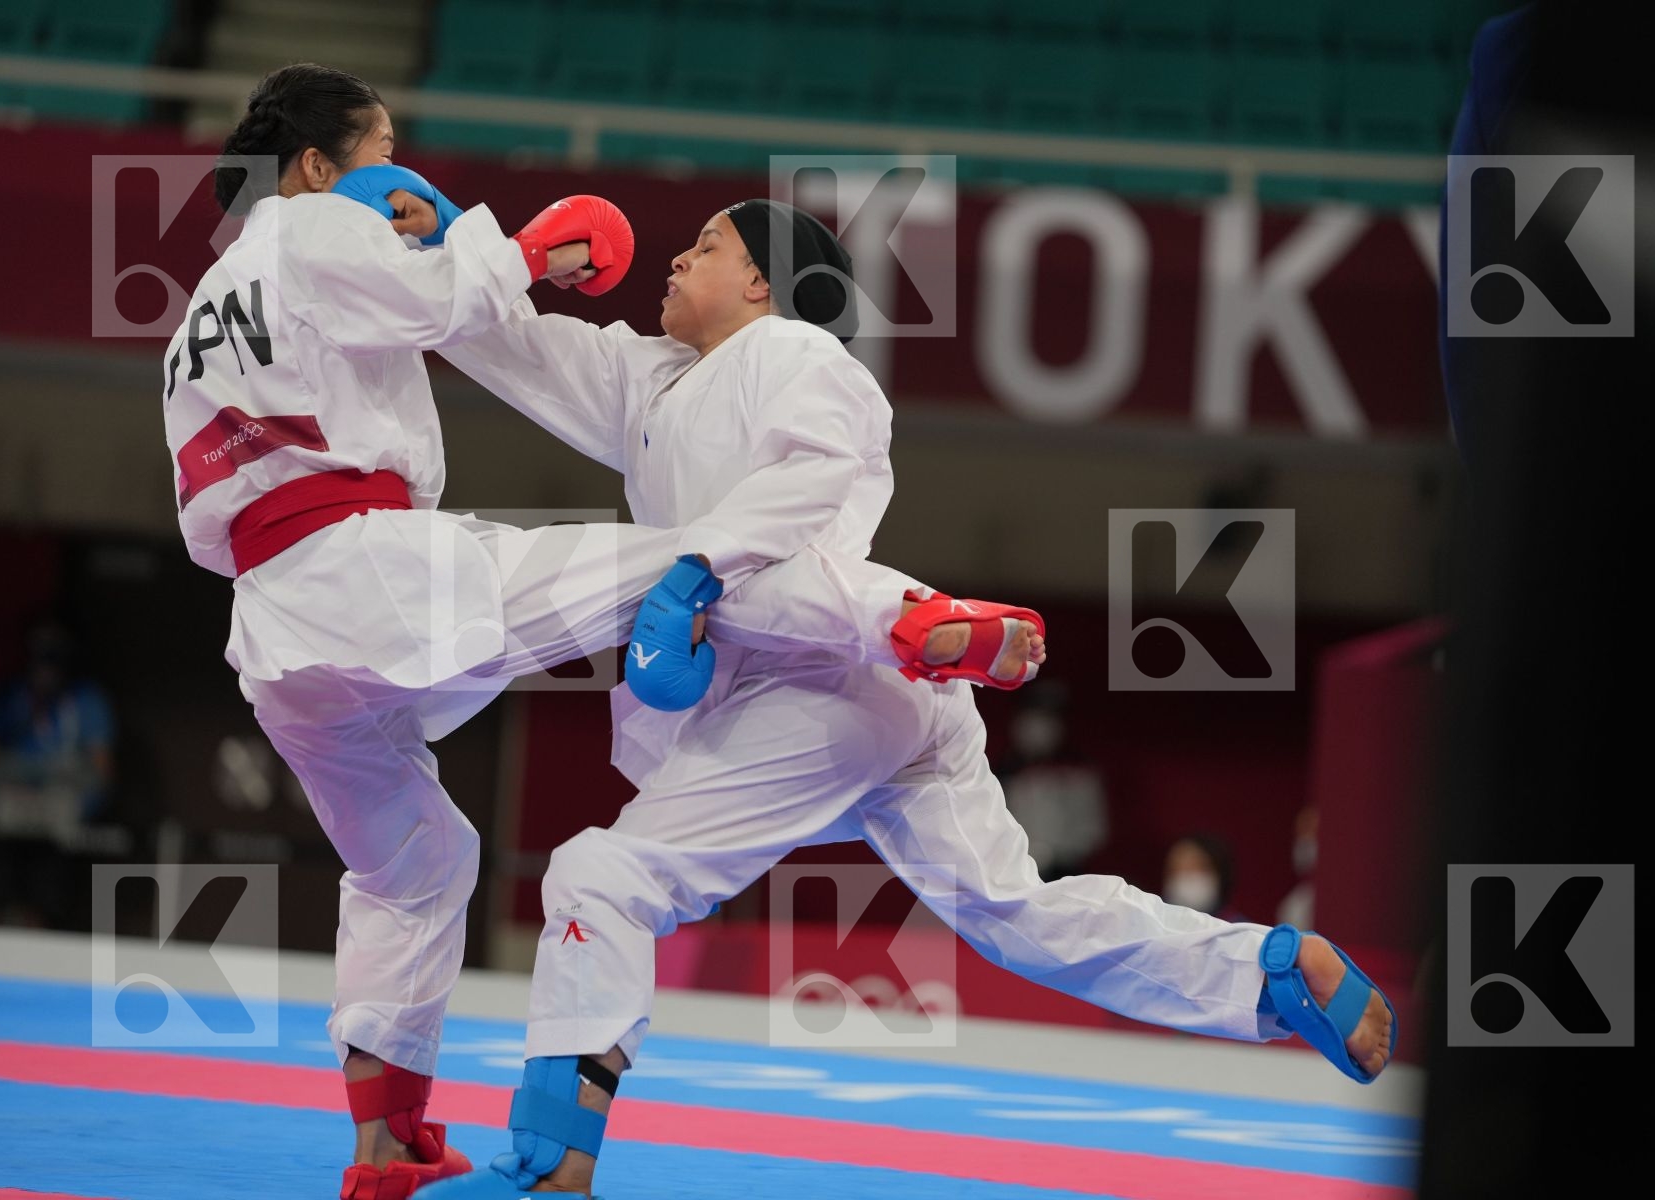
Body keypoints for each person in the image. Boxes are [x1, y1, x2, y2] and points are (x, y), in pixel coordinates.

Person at [169, 64, 1042, 1200]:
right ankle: (917, 617)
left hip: (277, 639)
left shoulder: (205, 305)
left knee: (417, 866)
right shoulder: (312, 227)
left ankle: (384, 1155)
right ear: (319, 165)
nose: (399, 176)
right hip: (376, 572)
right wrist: (528, 248)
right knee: (681, 561)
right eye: (383, 152)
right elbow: (439, 302)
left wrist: (472, 259)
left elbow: (469, 332)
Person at [424, 199, 1399, 1200]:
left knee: (603, 876)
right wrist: (461, 240)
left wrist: (694, 572)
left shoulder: (797, 356)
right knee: (1017, 914)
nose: (675, 255)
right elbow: (508, 342)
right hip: (879, 698)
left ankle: (549, 1167)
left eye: (707, 245)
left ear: (763, 284)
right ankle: (1271, 975)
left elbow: (816, 479)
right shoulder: (650, 381)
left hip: (818, 687)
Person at [0, 623, 114, 928]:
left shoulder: (85, 700)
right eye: (41, 656)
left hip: (56, 813)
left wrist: (74, 804)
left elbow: (101, 771)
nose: (46, 667)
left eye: (54, 657)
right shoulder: (9, 696)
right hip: (7, 809)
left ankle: (38, 929)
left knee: (47, 891)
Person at [995, 682, 1108, 880]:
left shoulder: (1077, 772)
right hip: (1010, 872)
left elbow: (1093, 830)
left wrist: (1058, 853)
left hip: (1065, 874)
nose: (1039, 727)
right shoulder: (1000, 772)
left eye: (1047, 718)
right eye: (1033, 715)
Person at [1161, 832, 1246, 924]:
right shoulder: (1153, 925)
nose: (1187, 878)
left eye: (1196, 867)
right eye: (1177, 869)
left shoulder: (1240, 931)